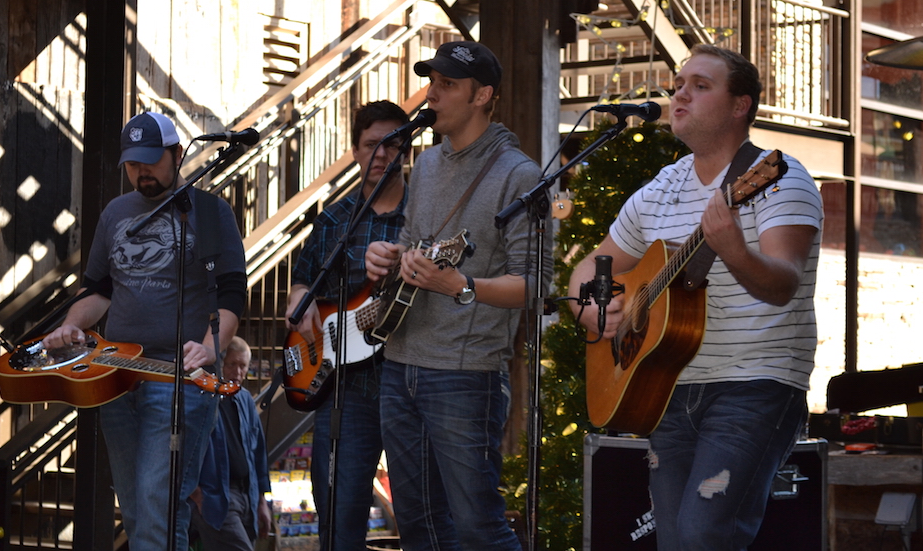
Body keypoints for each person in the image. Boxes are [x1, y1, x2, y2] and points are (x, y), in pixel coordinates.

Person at [568, 44, 822, 550]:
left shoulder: (777, 179)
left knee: (705, 535)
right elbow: (586, 271)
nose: (680, 93)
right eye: (680, 83)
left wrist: (735, 252)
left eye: (700, 85)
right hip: (667, 384)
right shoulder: (660, 189)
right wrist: (592, 309)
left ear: (739, 106)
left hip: (754, 384)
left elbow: (782, 283)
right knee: (676, 540)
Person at [364, 41, 551, 551]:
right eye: (432, 82)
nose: (433, 95)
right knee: (420, 527)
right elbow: (412, 245)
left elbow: (536, 285)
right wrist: (385, 256)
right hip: (400, 362)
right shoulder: (423, 165)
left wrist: (463, 286)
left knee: (477, 528)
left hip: (466, 377)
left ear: (482, 95)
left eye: (447, 85)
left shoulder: (519, 175)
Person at [42, 111, 247, 551]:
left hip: (176, 379)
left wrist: (214, 346)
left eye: (151, 161)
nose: (142, 172)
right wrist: (69, 328)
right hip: (114, 377)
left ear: (177, 154)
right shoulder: (117, 212)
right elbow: (98, 289)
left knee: (156, 510)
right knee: (140, 513)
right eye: (133, 164)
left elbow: (231, 295)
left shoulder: (211, 213)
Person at [285, 100, 410, 550]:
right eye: (371, 144)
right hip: (345, 391)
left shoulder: (425, 217)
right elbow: (302, 279)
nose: (381, 154)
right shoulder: (335, 218)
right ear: (356, 151)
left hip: (410, 380)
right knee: (339, 517)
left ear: (407, 149)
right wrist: (299, 303)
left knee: (420, 513)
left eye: (392, 144)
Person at [191, 336, 273, 550]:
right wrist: (197, 493)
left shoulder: (244, 397)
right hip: (217, 494)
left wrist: (262, 501)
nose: (237, 372)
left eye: (243, 366)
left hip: (248, 493)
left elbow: (258, 452)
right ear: (220, 364)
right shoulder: (202, 395)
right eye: (232, 365)